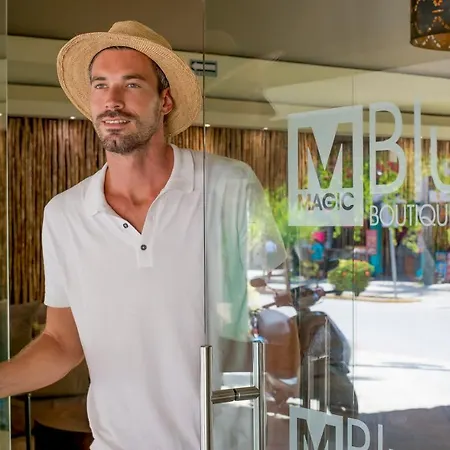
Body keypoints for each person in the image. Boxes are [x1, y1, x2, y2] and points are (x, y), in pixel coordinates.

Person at [0, 21, 287, 449]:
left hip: (223, 443)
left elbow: (277, 313)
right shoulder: (64, 214)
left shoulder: (228, 185)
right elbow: (61, 342)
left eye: (131, 84)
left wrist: (282, 417)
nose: (112, 100)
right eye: (100, 85)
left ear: (164, 100)